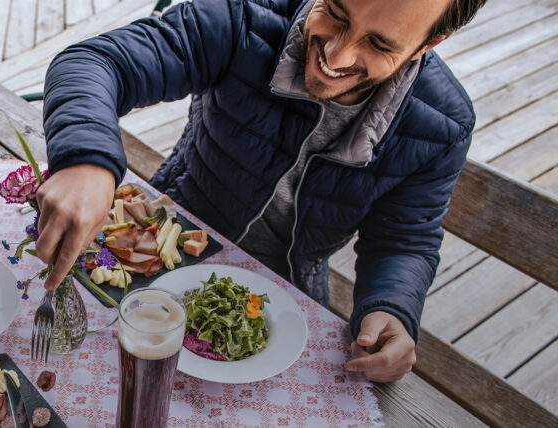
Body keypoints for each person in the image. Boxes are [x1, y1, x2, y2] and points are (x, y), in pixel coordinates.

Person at [34, 0, 486, 382]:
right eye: (336, 12)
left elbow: (403, 240)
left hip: (285, 298)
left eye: (379, 44)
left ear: (428, 45)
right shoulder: (243, 14)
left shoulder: (443, 125)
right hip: (156, 250)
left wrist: (391, 309)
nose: (337, 52)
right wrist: (86, 160)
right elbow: (96, 62)